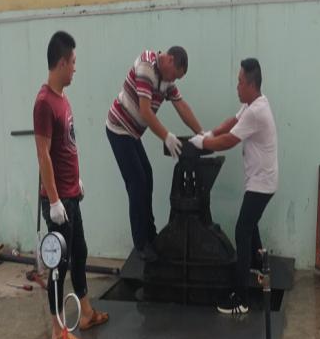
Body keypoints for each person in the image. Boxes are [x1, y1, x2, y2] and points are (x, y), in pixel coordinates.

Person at [34, 30, 108, 339]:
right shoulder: (44, 104)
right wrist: (54, 200)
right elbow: (43, 154)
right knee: (59, 266)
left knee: (80, 253)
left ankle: (86, 312)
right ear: (62, 62)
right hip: (58, 201)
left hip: (71, 194)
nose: (76, 68)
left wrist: (76, 182)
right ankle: (57, 329)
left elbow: (67, 147)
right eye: (73, 62)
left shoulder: (62, 99)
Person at [189, 58, 278, 314]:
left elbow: (230, 140)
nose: (237, 86)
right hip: (261, 181)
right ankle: (259, 267)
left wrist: (204, 144)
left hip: (261, 183)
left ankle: (241, 299)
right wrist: (209, 134)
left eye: (240, 82)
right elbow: (231, 123)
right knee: (250, 225)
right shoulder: (253, 104)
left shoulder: (256, 111)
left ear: (251, 85)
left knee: (242, 230)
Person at [106, 47, 204, 261]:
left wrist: (202, 134)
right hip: (119, 129)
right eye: (174, 75)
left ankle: (150, 235)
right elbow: (145, 110)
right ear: (169, 59)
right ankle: (141, 243)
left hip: (133, 133)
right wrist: (166, 136)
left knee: (147, 177)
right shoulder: (147, 66)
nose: (173, 80)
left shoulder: (167, 79)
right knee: (137, 184)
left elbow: (182, 106)